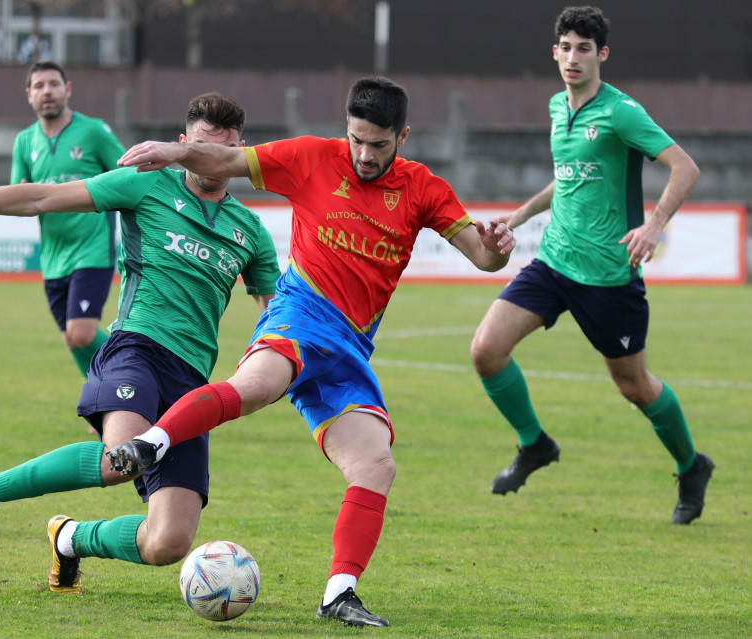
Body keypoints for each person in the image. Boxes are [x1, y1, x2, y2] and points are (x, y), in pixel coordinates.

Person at [105, 76, 516, 627]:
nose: (365, 155)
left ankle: (338, 594)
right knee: (255, 389)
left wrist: (492, 252)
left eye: (379, 144)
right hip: (299, 315)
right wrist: (175, 150)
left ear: (403, 137)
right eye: (356, 140)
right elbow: (224, 161)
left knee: (375, 464)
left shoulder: (424, 189)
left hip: (350, 348)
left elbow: (482, 259)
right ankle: (151, 444)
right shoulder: (311, 158)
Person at [0, 93, 280, 594]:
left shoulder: (250, 231)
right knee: (118, 458)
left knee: (167, 543)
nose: (209, 161)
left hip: (192, 386)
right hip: (136, 348)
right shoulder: (145, 187)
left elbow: (276, 318)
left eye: (222, 151)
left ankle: (71, 538)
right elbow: (41, 198)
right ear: (180, 146)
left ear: (238, 152)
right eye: (199, 148)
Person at [469, 6, 712, 524]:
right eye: (566, 46)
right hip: (553, 262)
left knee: (635, 387)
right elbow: (569, 180)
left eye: (584, 48)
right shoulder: (559, 107)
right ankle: (534, 445)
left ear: (601, 54)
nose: (573, 57)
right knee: (486, 351)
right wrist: (517, 216)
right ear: (554, 51)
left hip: (607, 276)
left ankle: (692, 467)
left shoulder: (621, 112)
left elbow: (684, 167)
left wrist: (654, 225)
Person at [14, 60, 126, 378]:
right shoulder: (24, 141)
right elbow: (19, 194)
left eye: (53, 84)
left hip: (92, 248)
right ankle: (106, 406)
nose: (46, 91)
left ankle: (140, 376)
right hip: (52, 258)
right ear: (29, 95)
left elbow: (127, 175)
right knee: (71, 339)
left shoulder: (93, 131)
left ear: (68, 89)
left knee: (82, 334)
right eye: (39, 86)